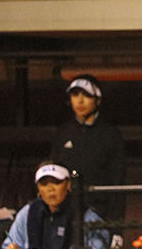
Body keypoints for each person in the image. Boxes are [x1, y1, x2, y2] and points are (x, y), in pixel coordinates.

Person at [50, 74, 126, 239]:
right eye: (75, 95)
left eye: (86, 95)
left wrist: (116, 229)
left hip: (100, 217)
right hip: (66, 217)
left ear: (98, 100)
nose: (80, 101)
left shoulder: (110, 134)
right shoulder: (63, 132)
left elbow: (118, 184)